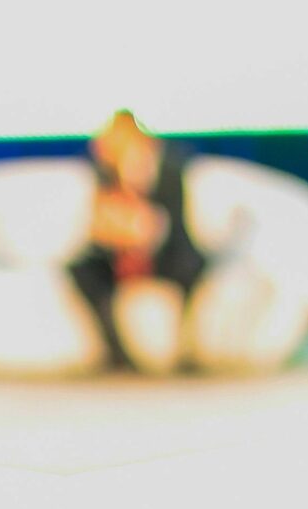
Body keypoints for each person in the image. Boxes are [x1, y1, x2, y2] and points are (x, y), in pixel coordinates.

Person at [67, 110, 208, 373]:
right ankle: (116, 353)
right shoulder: (102, 171)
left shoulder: (171, 166)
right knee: (81, 269)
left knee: (194, 265)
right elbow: (98, 222)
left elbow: (175, 223)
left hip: (165, 251)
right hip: (117, 255)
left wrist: (147, 229)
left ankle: (188, 348)